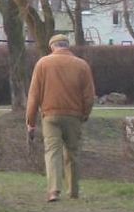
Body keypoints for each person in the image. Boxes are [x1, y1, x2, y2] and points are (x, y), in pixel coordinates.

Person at [26, 33, 96, 202]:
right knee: (72, 153)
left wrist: (30, 122)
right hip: (74, 115)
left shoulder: (42, 64)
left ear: (52, 46)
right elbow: (89, 96)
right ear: (67, 46)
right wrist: (85, 114)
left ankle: (53, 191)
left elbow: (34, 96)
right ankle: (73, 191)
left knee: (52, 152)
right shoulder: (81, 65)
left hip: (50, 115)